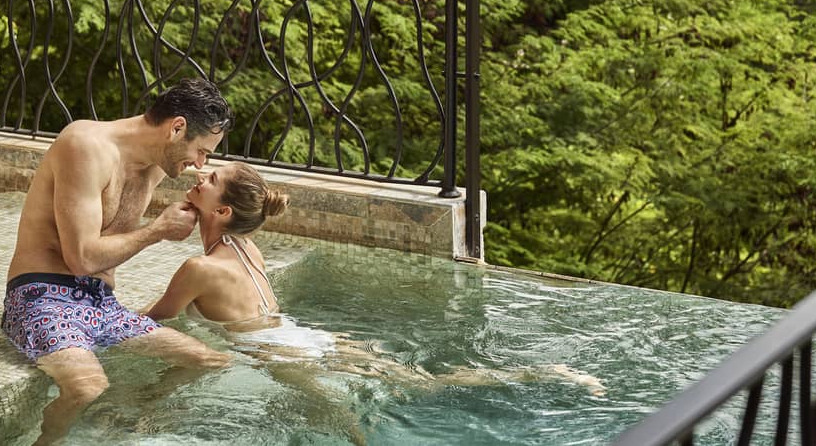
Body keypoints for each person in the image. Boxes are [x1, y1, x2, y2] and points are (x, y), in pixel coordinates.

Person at [143, 161, 605, 393]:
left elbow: (148, 323)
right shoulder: (247, 248)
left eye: (210, 180)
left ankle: (539, 375)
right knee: (421, 382)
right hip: (307, 337)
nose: (199, 176)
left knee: (379, 410)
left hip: (283, 353)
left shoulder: (199, 269)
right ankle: (540, 374)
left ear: (223, 211)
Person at [2, 78, 235, 445]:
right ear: (177, 128)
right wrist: (157, 230)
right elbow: (81, 259)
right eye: (202, 151)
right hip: (42, 296)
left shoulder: (156, 166)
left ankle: (129, 418)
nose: (200, 164)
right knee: (87, 386)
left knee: (209, 360)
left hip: (103, 305)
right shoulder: (85, 145)